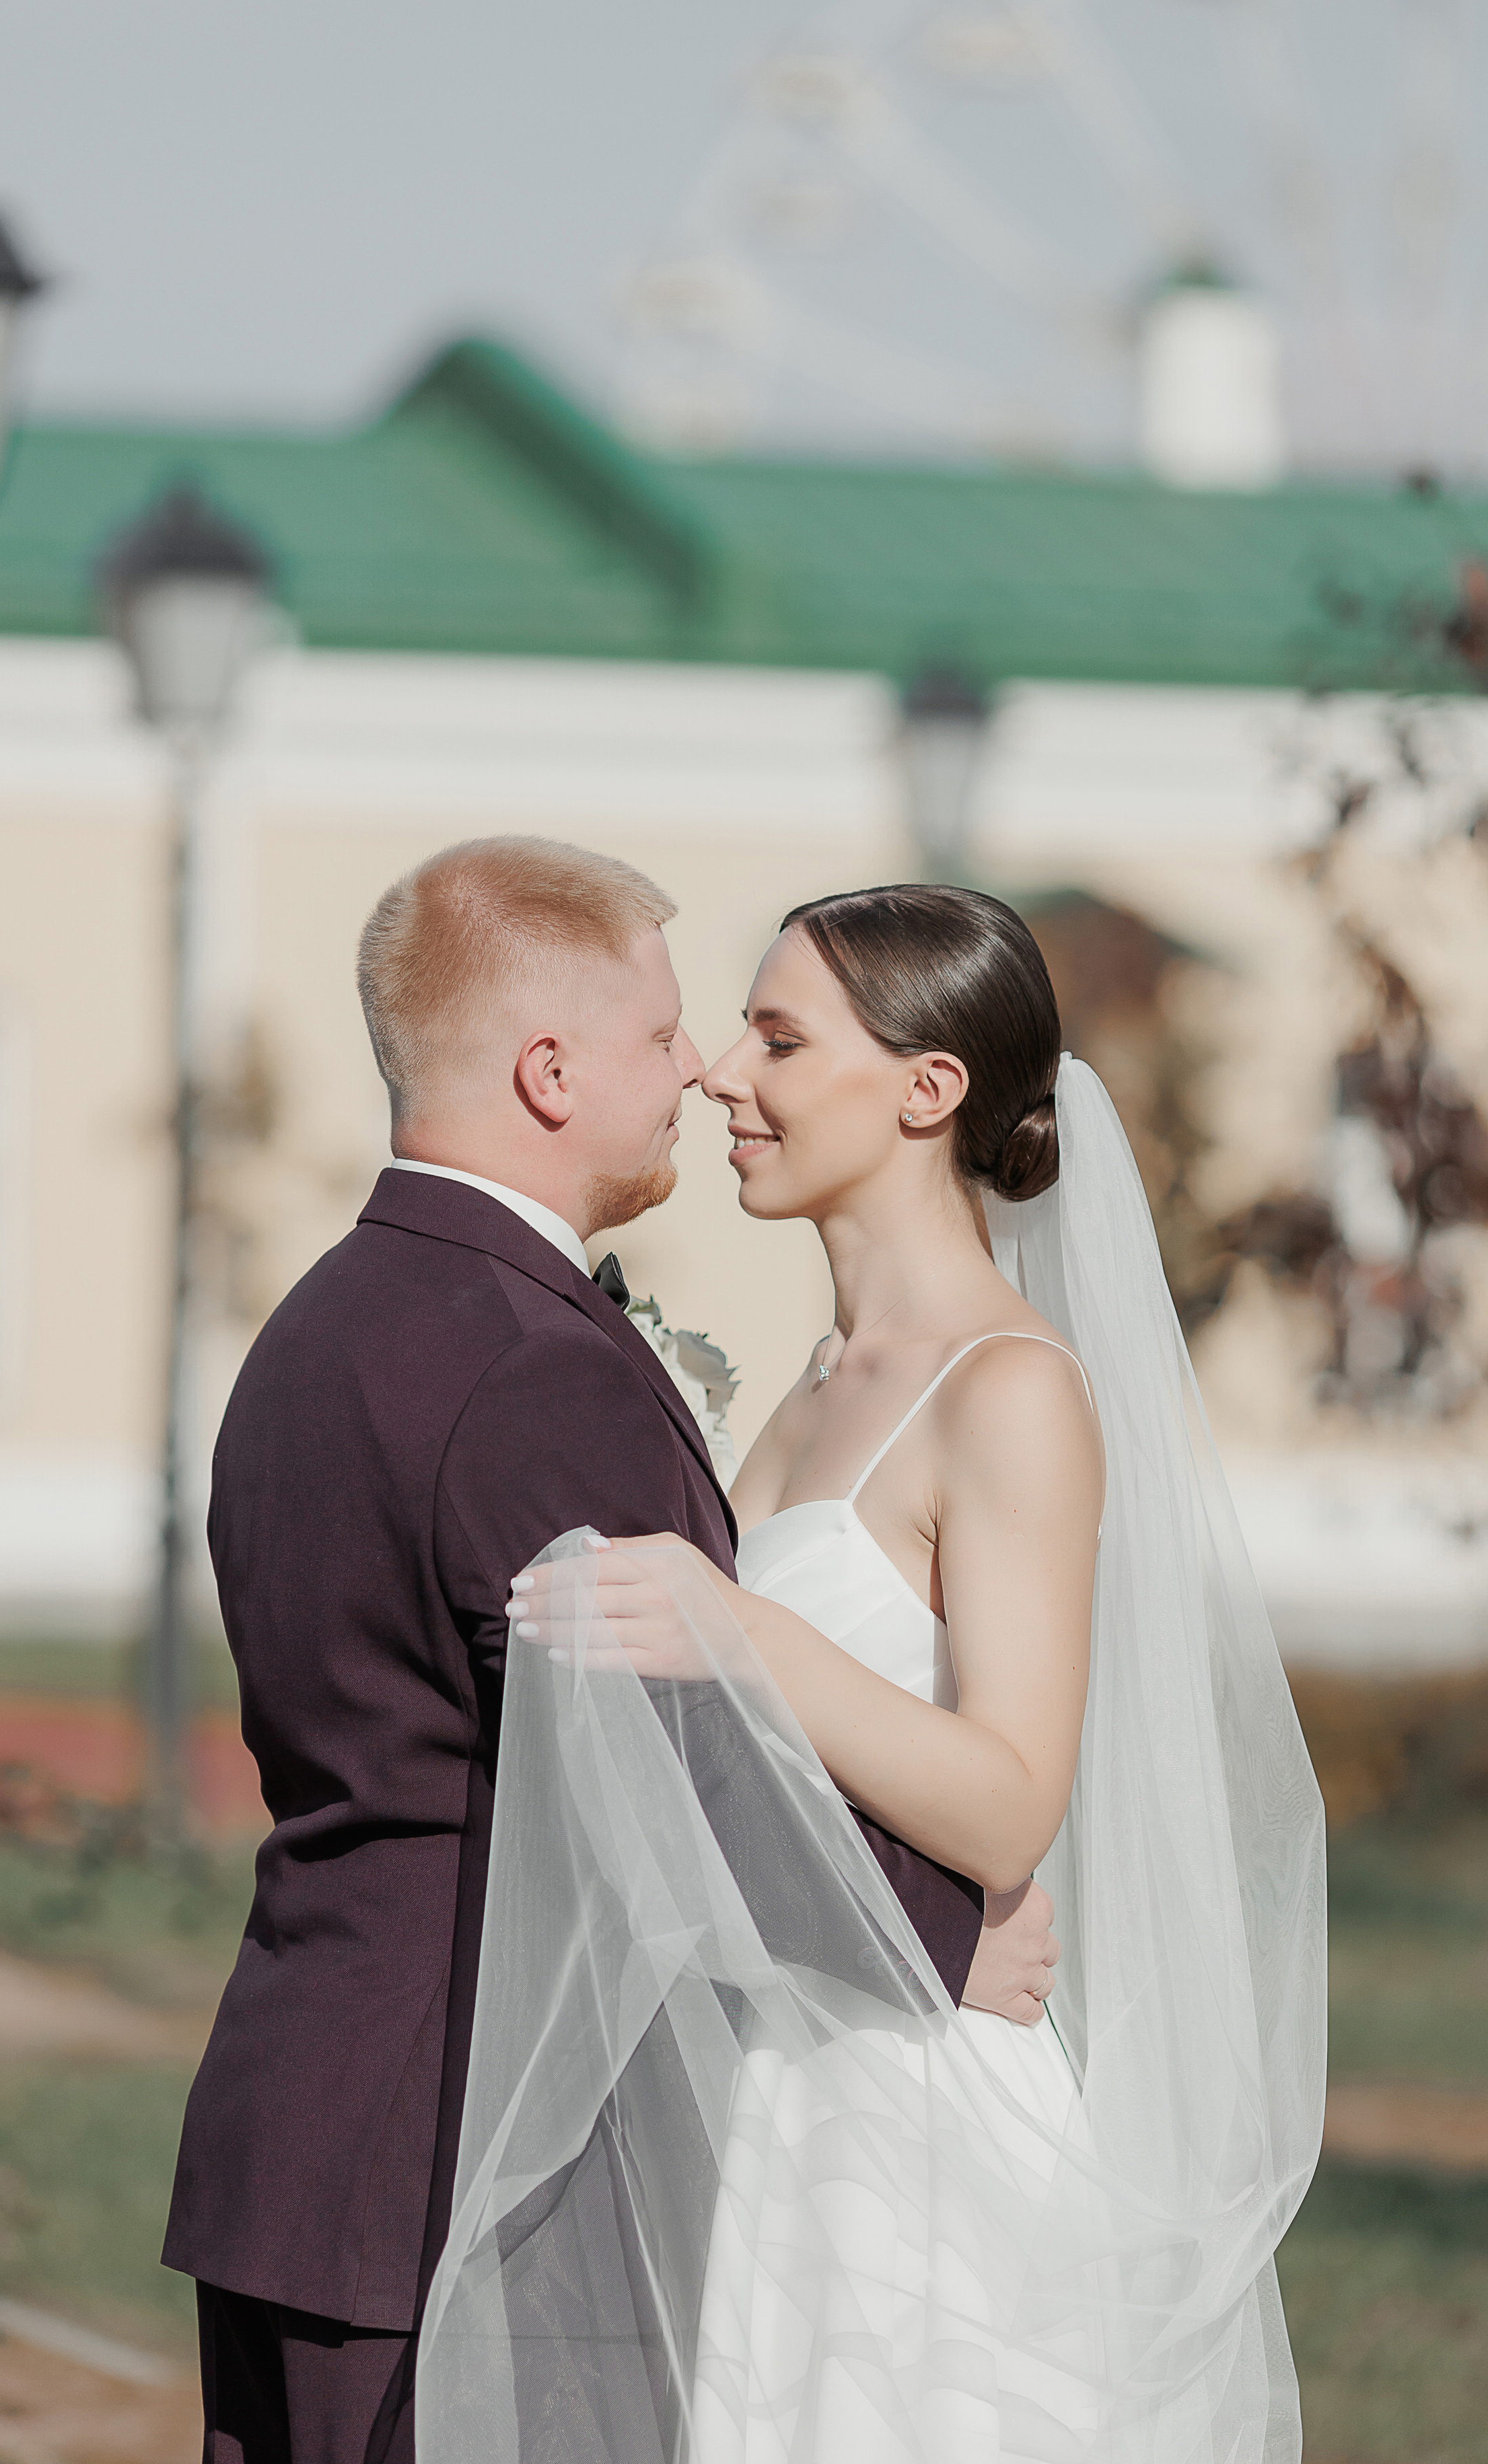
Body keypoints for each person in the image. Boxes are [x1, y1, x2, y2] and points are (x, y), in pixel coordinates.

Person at [162, 843, 1058, 2464]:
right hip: (466, 2151)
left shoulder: (323, 1324)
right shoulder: (527, 1367)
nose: (701, 1071)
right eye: (667, 1038)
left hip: (304, 2131)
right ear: (548, 1070)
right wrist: (937, 1942)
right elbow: (647, 1769)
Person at [433, 883, 1326, 2462]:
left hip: (911, 2135)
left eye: (777, 1040)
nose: (718, 1073)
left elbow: (1005, 1805)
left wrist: (737, 1629)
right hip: (765, 2083)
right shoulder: (811, 1381)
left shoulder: (1009, 1393)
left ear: (927, 1091)